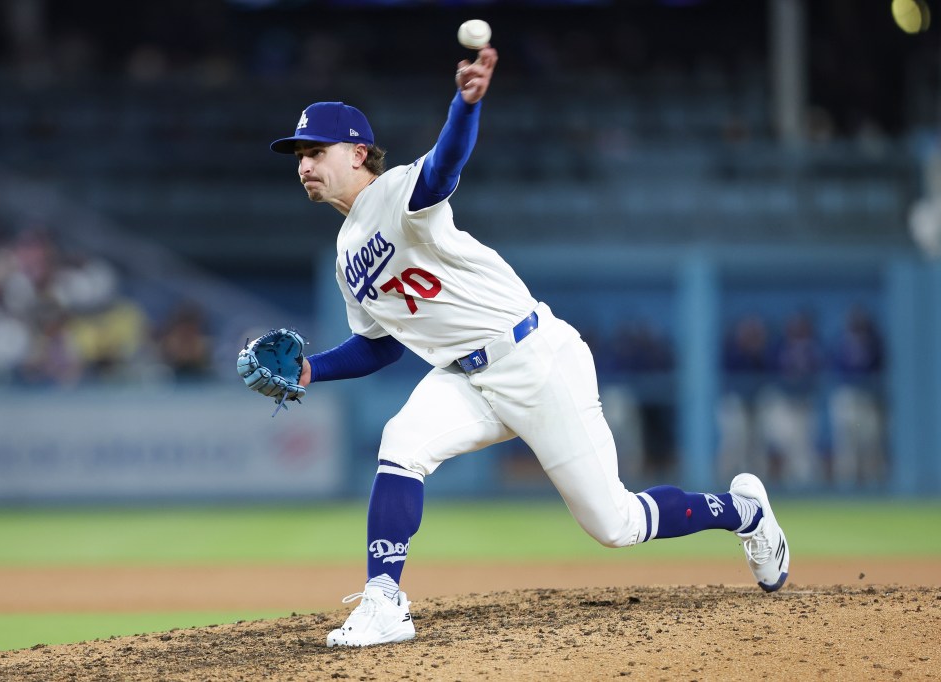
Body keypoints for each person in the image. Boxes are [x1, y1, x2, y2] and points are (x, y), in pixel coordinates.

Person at [265, 43, 789, 648]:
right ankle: (384, 601)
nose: (304, 163)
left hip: (535, 360)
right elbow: (379, 347)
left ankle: (744, 511)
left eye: (316, 151)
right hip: (466, 377)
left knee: (614, 524)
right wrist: (309, 371)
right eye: (299, 155)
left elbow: (445, 166)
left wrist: (465, 106)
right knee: (401, 444)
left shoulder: (399, 193)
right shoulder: (344, 255)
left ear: (358, 153)